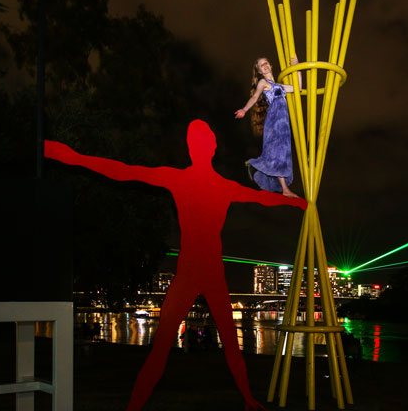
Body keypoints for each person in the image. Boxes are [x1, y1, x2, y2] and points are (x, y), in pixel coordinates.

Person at [44, 120, 307, 411]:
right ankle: (243, 398)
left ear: (197, 148)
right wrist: (295, 203)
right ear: (212, 147)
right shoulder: (216, 186)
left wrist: (73, 158)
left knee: (180, 346)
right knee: (218, 343)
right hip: (201, 273)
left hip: (198, 273)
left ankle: (245, 398)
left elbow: (124, 172)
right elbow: (124, 172)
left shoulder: (195, 182)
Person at [234, 56, 302, 198]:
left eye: (266, 63)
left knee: (283, 154)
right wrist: (244, 110)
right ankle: (259, 167)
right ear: (259, 71)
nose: (264, 66)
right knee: (276, 152)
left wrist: (297, 68)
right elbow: (254, 97)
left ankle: (284, 189)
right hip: (275, 120)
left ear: (270, 65)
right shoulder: (263, 83)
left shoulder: (280, 86)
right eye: (261, 65)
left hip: (284, 124)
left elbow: (298, 89)